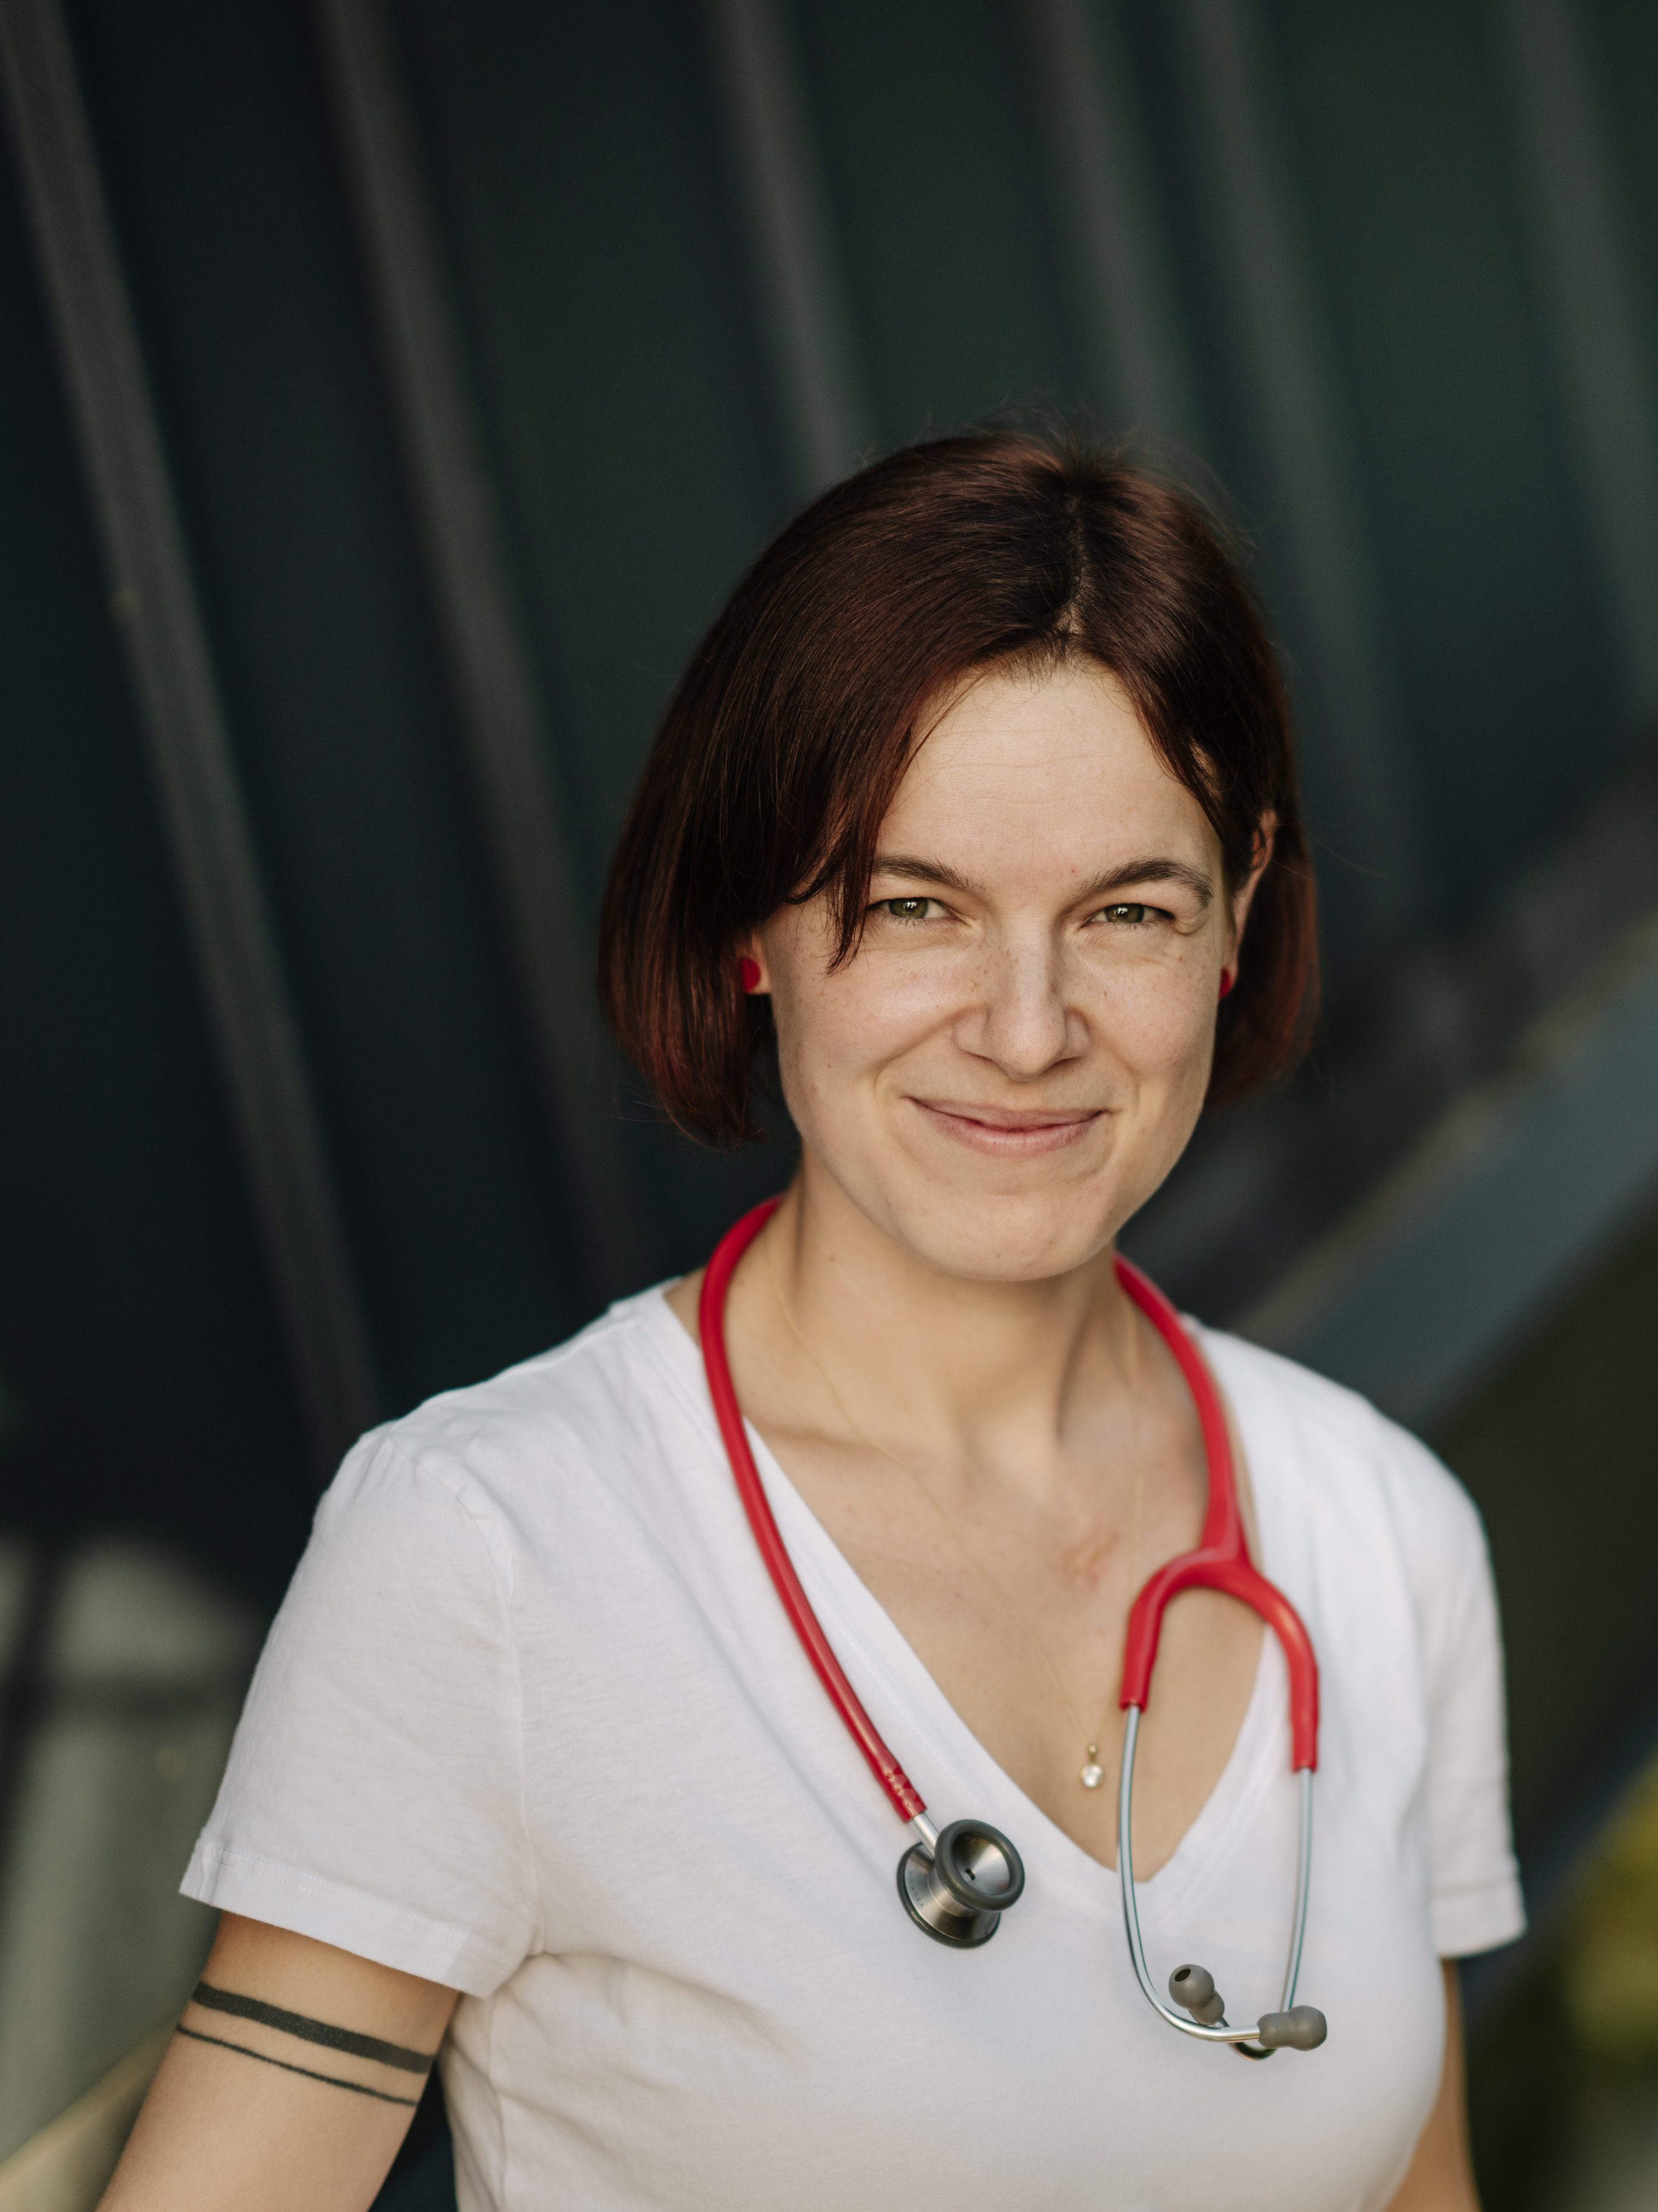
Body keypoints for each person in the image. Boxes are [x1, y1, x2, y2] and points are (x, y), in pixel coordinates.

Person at [101, 433, 1522, 2212]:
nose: (1027, 1027)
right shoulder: (491, 1554)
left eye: (1127, 912)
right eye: (915, 906)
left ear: (1236, 911)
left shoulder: (1381, 1534)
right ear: (751, 925)